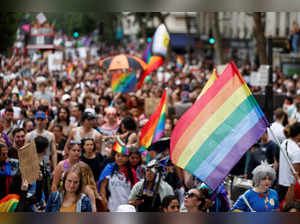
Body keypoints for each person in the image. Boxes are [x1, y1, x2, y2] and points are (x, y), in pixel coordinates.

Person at [278, 122, 300, 203]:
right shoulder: (297, 151)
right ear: (298, 135)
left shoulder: (284, 142)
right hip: (290, 188)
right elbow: (296, 173)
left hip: (281, 184)